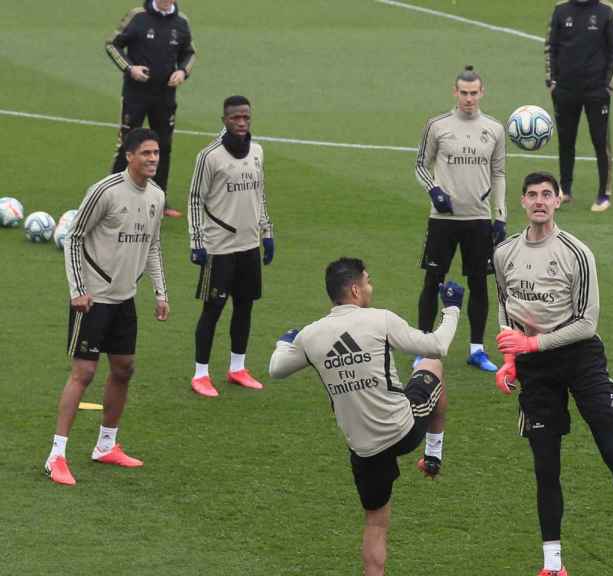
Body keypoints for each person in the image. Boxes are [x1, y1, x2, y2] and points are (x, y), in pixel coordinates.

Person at [493, 172, 613, 575]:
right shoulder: (504, 254)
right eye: (533, 195)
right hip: (535, 368)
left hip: (580, 358)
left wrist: (530, 345)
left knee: (611, 446)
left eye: (547, 195)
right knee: (545, 463)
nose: (540, 201)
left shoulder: (577, 252)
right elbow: (507, 310)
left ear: (557, 202)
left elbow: (586, 324)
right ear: (522, 202)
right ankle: (553, 565)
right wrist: (510, 360)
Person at [268, 257, 463, 576]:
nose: (372, 287)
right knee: (431, 366)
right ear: (356, 289)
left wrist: (284, 341)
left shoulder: (311, 335)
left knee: (375, 524)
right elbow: (438, 345)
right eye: (368, 281)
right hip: (403, 428)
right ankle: (433, 455)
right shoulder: (380, 319)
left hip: (363, 448)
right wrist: (452, 307)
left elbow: (276, 369)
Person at [45, 128, 170, 486]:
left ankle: (105, 445)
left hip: (124, 299)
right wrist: (79, 289)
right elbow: (73, 238)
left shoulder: (157, 197)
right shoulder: (105, 191)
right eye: (146, 153)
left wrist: (161, 292)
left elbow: (153, 247)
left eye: (156, 153)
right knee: (83, 373)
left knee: (124, 368)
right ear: (129, 155)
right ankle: (56, 456)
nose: (153, 159)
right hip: (93, 300)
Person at [414, 65, 506, 373]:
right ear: (456, 92)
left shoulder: (493, 128)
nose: (469, 99)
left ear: (482, 93)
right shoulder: (438, 125)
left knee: (479, 284)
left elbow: (499, 173)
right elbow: (420, 166)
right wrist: (435, 191)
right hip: (442, 220)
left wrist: (501, 215)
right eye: (464, 93)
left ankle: (477, 350)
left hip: (478, 219)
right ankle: (424, 347)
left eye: (474, 93)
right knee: (432, 280)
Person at [187, 95, 274, 398]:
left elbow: (260, 194)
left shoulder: (258, 151)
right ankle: (201, 373)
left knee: (245, 307)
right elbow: (195, 199)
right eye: (235, 118)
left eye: (246, 118)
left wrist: (267, 233)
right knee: (212, 310)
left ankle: (238, 367)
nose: (241, 123)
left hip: (249, 245)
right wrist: (197, 242)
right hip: (219, 247)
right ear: (224, 119)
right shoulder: (209, 156)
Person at [106, 0, 196, 218]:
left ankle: (159, 202)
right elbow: (112, 44)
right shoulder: (137, 17)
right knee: (127, 144)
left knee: (163, 147)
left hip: (165, 96)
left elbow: (190, 53)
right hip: (135, 94)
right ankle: (112, 198)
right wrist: (130, 68)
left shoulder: (181, 22)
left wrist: (183, 72)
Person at [544, 0, 613, 212]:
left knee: (600, 141)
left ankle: (603, 194)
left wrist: (609, 86)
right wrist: (551, 81)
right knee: (566, 139)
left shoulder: (606, 11)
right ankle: (565, 190)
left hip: (596, 91)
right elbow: (550, 47)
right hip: (565, 90)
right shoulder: (561, 10)